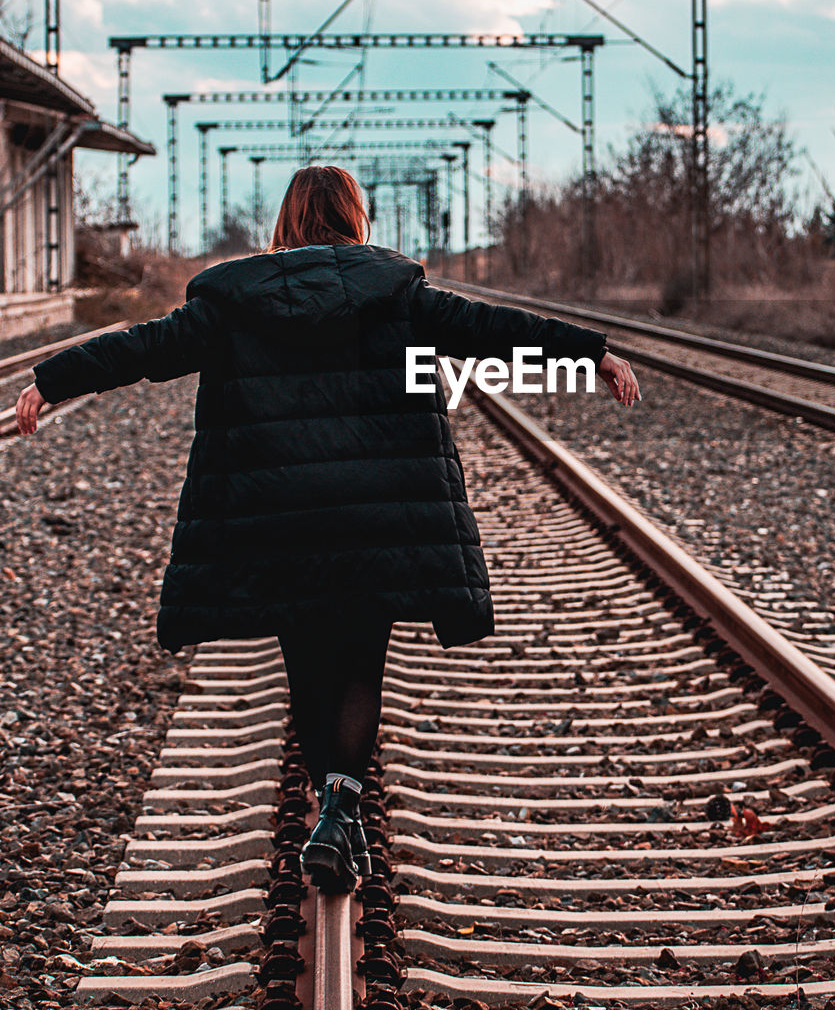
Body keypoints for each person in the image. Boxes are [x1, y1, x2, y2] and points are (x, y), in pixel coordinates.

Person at [15, 166, 641, 893]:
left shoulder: (231, 301)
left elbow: (144, 347)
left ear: (287, 221)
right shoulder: (398, 293)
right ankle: (341, 805)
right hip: (378, 512)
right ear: (354, 217)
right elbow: (494, 330)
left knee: (307, 660)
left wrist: (54, 379)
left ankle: (334, 810)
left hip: (278, 515)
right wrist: (590, 351)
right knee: (358, 662)